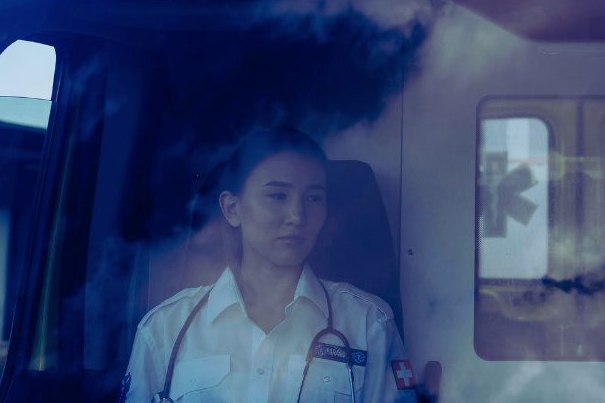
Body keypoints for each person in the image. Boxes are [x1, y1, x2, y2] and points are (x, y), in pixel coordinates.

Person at [122, 127, 417, 403]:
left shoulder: (369, 324)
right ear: (232, 209)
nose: (297, 216)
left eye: (314, 198)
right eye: (278, 196)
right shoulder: (164, 330)